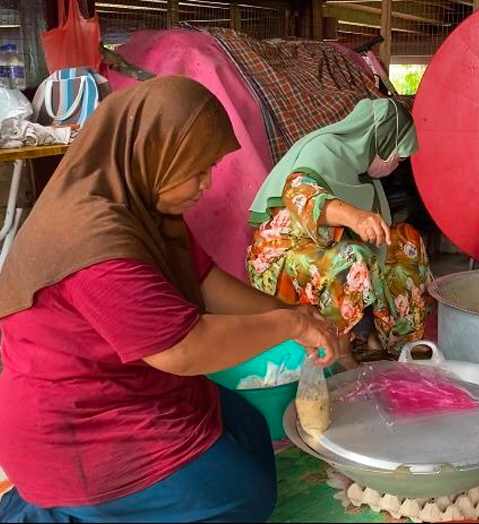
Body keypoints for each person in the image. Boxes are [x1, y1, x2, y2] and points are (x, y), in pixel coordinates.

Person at [0, 76, 341, 523]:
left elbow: (204, 282)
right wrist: (291, 326)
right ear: (154, 154)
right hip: (76, 428)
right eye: (197, 170)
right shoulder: (91, 242)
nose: (206, 184)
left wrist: (295, 313)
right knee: (243, 497)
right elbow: (182, 349)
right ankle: (47, 511)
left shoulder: (141, 207)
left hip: (128, 385)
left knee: (248, 429)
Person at [246, 98, 432, 363]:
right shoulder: (323, 149)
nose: (396, 165)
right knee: (350, 259)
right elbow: (299, 194)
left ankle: (394, 340)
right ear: (380, 141)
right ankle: (339, 353)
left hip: (325, 244)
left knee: (404, 242)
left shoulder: (361, 168)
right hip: (283, 253)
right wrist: (354, 217)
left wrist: (361, 223)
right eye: (397, 157)